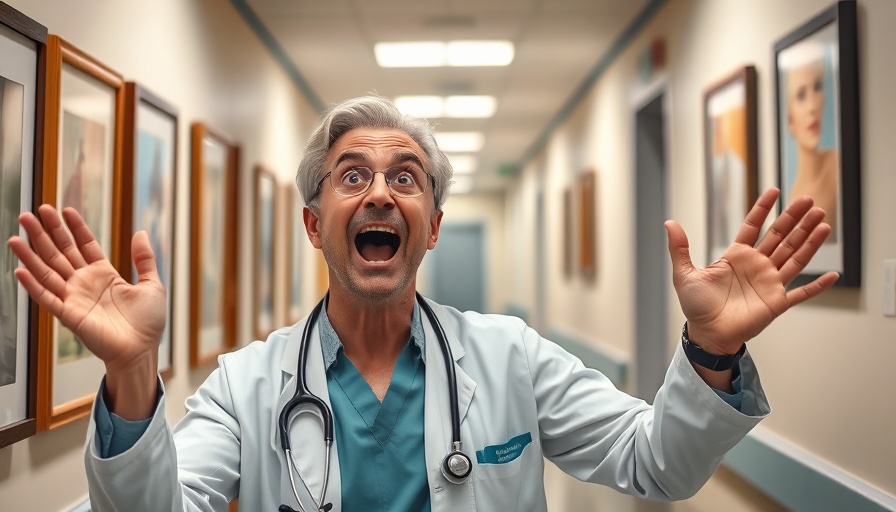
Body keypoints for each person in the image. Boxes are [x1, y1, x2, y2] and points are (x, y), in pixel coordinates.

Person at [7, 95, 838, 512]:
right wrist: (127, 372)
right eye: (352, 176)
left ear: (432, 227)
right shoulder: (245, 385)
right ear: (313, 224)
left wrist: (711, 352)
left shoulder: (512, 355)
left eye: (404, 178)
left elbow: (658, 464)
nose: (378, 194)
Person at [783, 44, 840, 240]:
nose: (812, 106)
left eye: (817, 87)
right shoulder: (790, 196)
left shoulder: (838, 165)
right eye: (801, 95)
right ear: (790, 119)